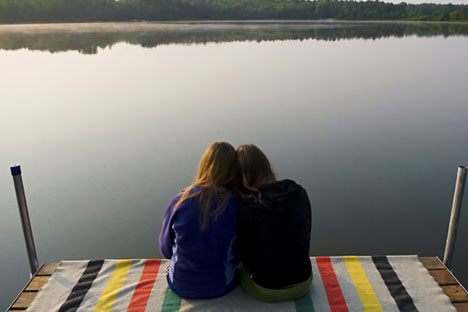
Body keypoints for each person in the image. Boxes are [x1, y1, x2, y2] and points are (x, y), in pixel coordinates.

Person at [159, 141, 239, 299]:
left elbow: (165, 250)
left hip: (179, 283)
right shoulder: (235, 205)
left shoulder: (179, 201)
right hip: (221, 285)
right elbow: (237, 257)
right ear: (233, 171)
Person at [235, 144, 312, 302]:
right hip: (304, 282)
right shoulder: (299, 192)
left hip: (266, 289)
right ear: (266, 166)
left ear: (241, 176)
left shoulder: (246, 208)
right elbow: (306, 232)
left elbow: (242, 255)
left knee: (238, 268)